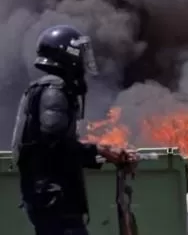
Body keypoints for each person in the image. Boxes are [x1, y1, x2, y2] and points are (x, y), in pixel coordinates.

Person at [11, 25, 135, 235]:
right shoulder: (55, 91)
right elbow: (55, 145)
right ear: (67, 55)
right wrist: (100, 150)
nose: (84, 61)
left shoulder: (48, 88)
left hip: (49, 197)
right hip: (53, 198)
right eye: (81, 53)